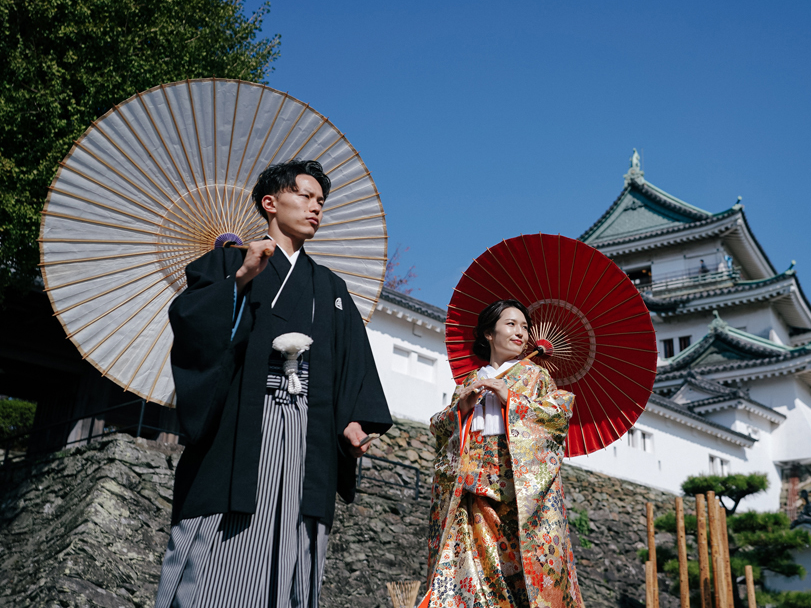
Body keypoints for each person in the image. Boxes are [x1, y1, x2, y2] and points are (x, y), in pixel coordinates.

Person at [154, 160, 392, 608]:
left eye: (321, 201)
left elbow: (351, 364)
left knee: (296, 541)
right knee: (221, 552)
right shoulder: (229, 259)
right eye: (305, 196)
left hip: (310, 432)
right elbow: (192, 325)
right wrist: (241, 278)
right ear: (270, 202)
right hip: (244, 424)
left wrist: (353, 422)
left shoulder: (330, 287)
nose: (315, 207)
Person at [422, 300, 585, 608]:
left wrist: (509, 396)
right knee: (474, 571)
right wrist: (462, 408)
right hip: (470, 490)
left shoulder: (536, 377)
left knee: (520, 571)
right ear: (488, 333)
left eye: (525, 327)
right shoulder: (470, 382)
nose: (521, 333)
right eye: (511, 324)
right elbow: (439, 428)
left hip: (517, 495)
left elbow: (556, 418)